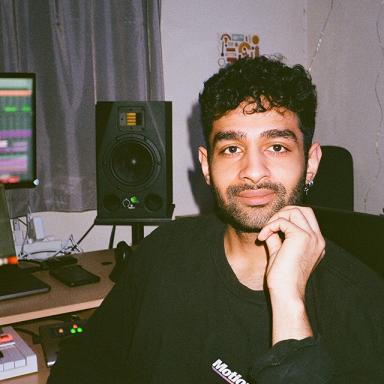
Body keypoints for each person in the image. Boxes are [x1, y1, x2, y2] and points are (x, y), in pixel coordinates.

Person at [48, 56, 384, 384]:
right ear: (207, 166)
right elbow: (87, 361)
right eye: (232, 149)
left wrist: (288, 298)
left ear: (310, 163)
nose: (253, 171)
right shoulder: (162, 252)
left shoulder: (362, 306)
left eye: (277, 147)